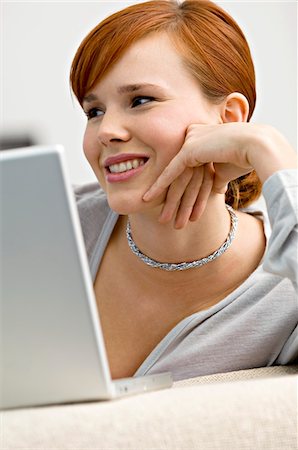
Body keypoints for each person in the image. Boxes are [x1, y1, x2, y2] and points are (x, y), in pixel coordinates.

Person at [70, 0, 297, 381]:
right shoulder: (52, 226)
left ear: (229, 119)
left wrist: (269, 150)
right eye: (94, 111)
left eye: (140, 100)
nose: (107, 130)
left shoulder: (283, 288)